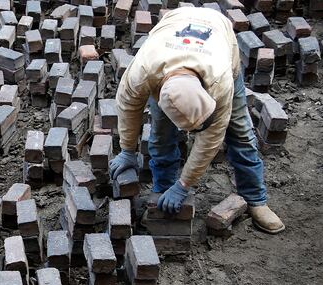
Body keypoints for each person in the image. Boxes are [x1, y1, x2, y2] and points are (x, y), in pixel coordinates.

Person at [108, 7, 285, 234]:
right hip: (169, 42)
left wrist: (184, 185)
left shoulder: (220, 81)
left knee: (241, 133)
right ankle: (162, 191)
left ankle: (255, 199)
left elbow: (211, 140)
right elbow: (128, 110)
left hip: (217, 33)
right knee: (161, 136)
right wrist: (127, 150)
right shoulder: (142, 72)